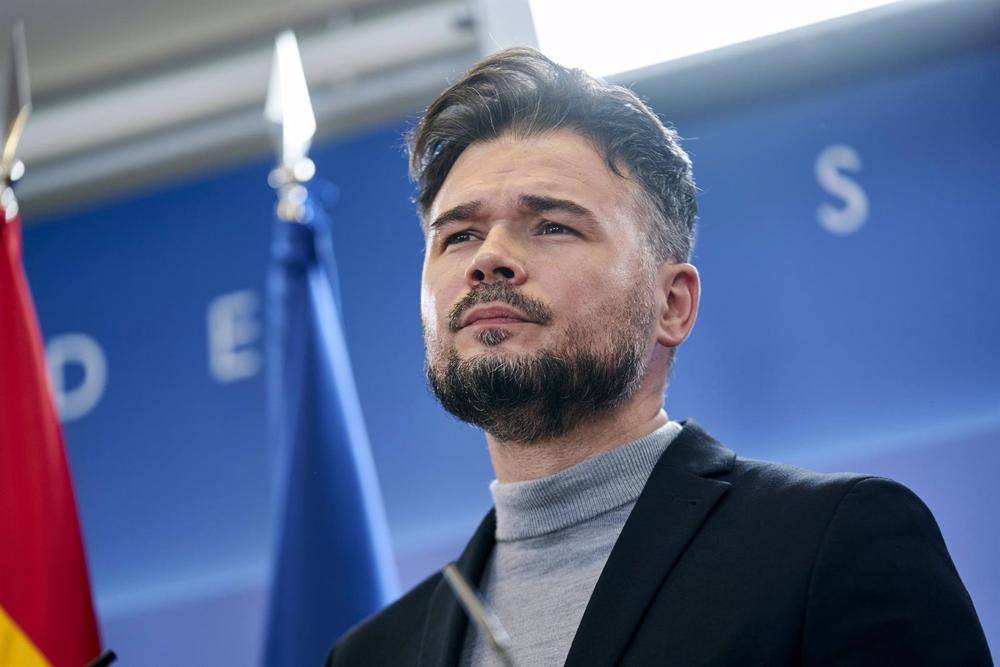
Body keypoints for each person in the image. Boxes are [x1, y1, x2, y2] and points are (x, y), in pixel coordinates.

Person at [325, 47, 992, 666]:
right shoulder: (370, 654)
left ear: (672, 303)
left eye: (553, 224)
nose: (488, 257)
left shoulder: (833, 545)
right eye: (460, 234)